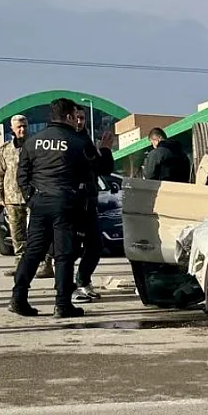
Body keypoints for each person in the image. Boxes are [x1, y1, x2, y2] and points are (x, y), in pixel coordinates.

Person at [8, 98, 104, 317]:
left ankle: (18, 298)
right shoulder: (77, 142)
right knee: (64, 255)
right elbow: (96, 170)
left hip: (40, 203)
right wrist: (104, 150)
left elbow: (22, 175)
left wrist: (31, 198)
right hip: (66, 203)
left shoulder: (33, 141)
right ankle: (62, 304)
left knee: (32, 252)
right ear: (69, 116)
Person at [0, 115, 52, 278]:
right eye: (19, 126)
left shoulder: (37, 147)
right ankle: (20, 265)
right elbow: (0, 174)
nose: (22, 129)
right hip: (12, 199)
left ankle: (44, 265)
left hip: (33, 197)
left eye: (25, 126)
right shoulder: (5, 149)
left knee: (39, 233)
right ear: (12, 129)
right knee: (17, 235)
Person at [70, 106, 114, 303]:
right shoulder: (66, 141)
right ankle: (67, 288)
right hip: (69, 204)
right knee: (69, 248)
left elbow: (103, 168)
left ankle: (83, 281)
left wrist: (105, 150)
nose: (79, 122)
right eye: (76, 118)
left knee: (96, 245)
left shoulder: (86, 140)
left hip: (88, 202)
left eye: (82, 118)